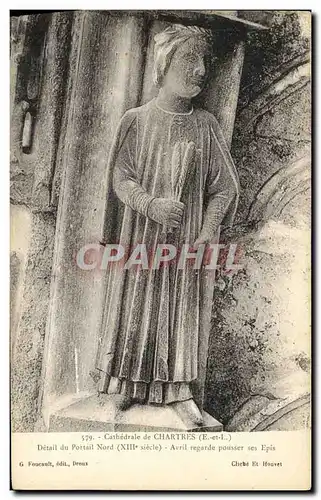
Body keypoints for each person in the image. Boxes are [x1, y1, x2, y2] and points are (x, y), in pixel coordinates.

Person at [96, 24, 239, 426]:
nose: (200, 70)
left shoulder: (205, 125)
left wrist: (207, 233)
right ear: (164, 63)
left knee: (178, 311)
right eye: (189, 59)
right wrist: (151, 204)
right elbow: (121, 177)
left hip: (184, 244)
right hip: (141, 236)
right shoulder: (137, 121)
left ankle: (178, 392)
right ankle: (127, 384)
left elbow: (224, 188)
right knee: (136, 304)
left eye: (204, 61)